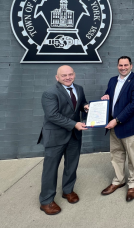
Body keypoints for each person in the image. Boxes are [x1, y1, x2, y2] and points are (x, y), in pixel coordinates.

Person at [37, 65, 88, 215]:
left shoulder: (79, 88)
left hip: (74, 136)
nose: (68, 77)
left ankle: (67, 191)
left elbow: (81, 105)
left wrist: (86, 107)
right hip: (56, 136)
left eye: (70, 74)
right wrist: (74, 124)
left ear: (74, 75)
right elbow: (52, 115)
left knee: (71, 165)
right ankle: (46, 201)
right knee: (50, 169)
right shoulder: (50, 93)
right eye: (64, 75)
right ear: (57, 77)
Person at [100, 56, 134, 202]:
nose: (123, 67)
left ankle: (132, 184)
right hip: (113, 126)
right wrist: (105, 98)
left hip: (129, 126)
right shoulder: (113, 80)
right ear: (117, 66)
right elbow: (110, 96)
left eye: (126, 65)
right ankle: (118, 181)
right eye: (120, 65)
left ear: (131, 66)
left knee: (133, 157)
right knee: (116, 155)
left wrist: (117, 120)